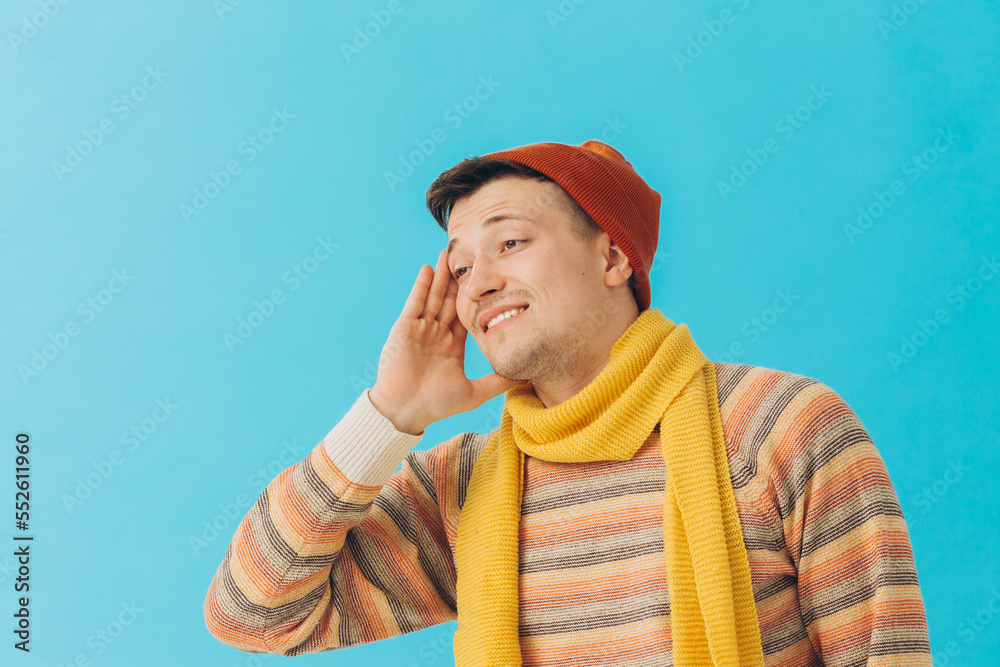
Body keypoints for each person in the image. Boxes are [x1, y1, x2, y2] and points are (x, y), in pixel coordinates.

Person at [203, 140, 932, 666]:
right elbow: (254, 614)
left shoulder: (782, 426)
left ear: (613, 257)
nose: (477, 281)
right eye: (459, 266)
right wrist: (388, 416)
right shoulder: (466, 486)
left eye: (510, 242)